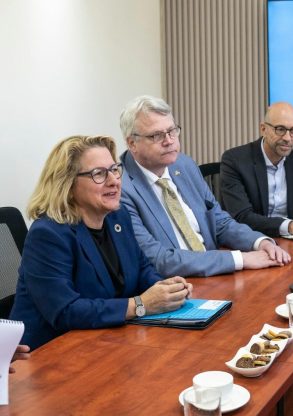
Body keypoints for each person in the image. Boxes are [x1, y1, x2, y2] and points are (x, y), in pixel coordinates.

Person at [10, 136, 191, 350]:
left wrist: (165, 289)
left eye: (114, 169)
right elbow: (65, 311)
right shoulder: (48, 234)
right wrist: (140, 305)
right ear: (67, 184)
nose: (114, 180)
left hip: (107, 340)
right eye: (99, 174)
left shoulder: (118, 216)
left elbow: (141, 269)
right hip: (50, 354)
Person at [119, 95, 291, 277]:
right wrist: (241, 259)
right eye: (157, 135)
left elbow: (219, 222)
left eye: (172, 131)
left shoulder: (183, 165)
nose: (169, 141)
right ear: (132, 143)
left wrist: (259, 242)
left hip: (215, 276)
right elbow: (159, 260)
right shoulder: (122, 190)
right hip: (173, 287)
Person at [220, 102, 293, 239]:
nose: (287, 138)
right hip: (249, 241)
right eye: (280, 129)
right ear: (263, 129)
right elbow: (242, 217)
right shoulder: (235, 160)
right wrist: (291, 226)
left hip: (288, 242)